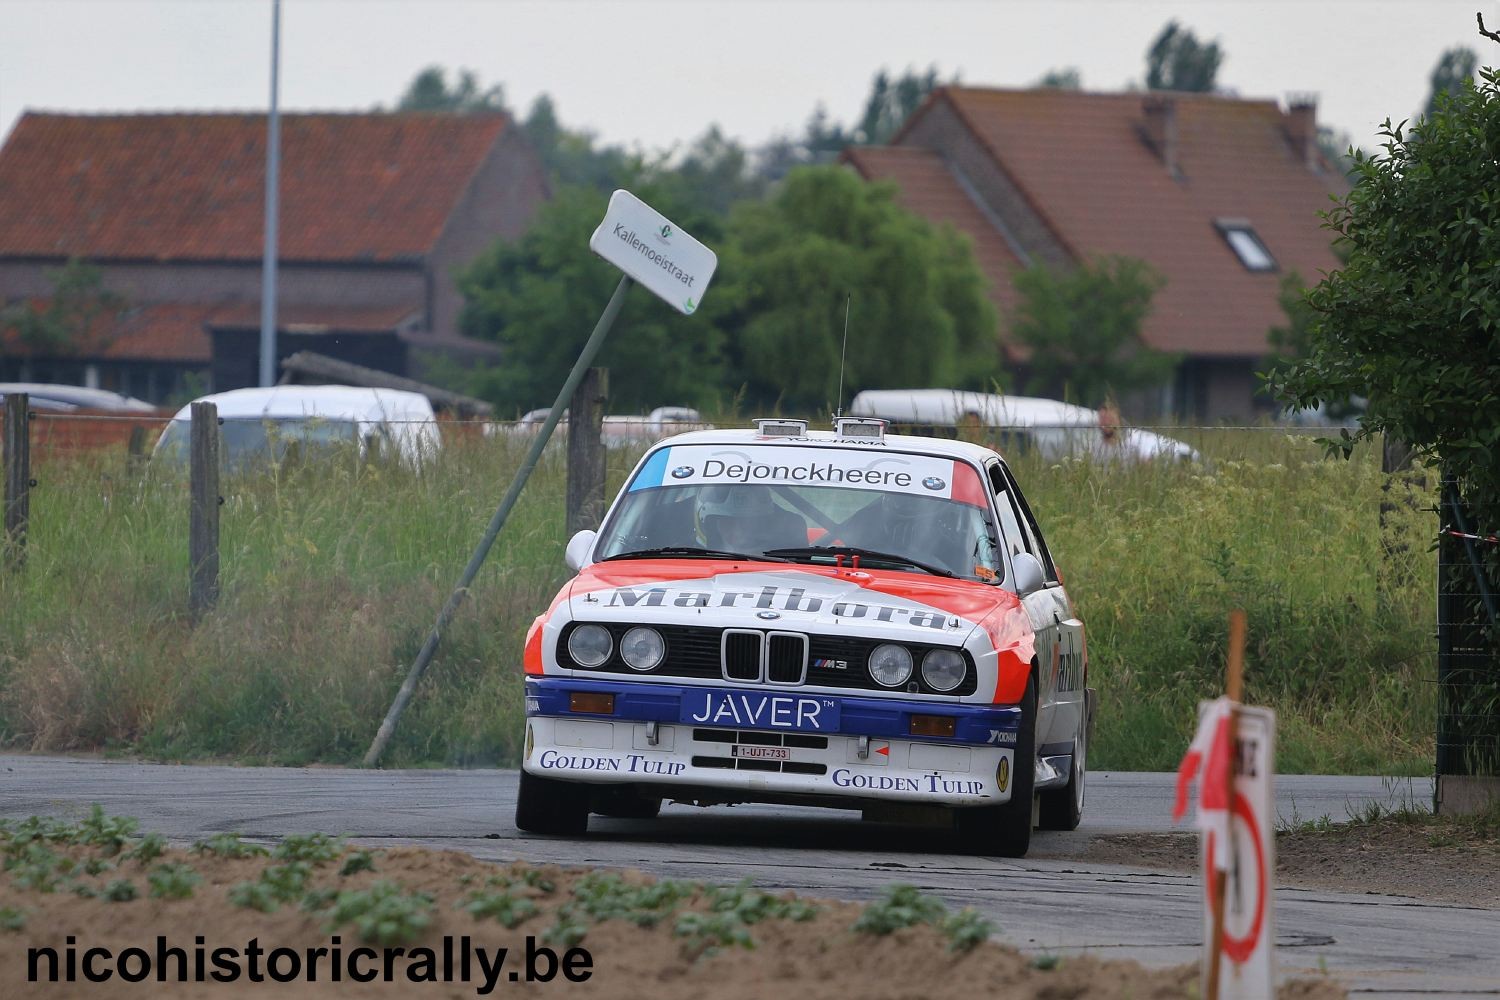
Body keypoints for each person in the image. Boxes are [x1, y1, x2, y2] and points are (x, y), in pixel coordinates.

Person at [694, 486, 805, 553]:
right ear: (711, 524)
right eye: (729, 522)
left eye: (746, 522)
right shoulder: (685, 553)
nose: (739, 531)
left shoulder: (788, 559)